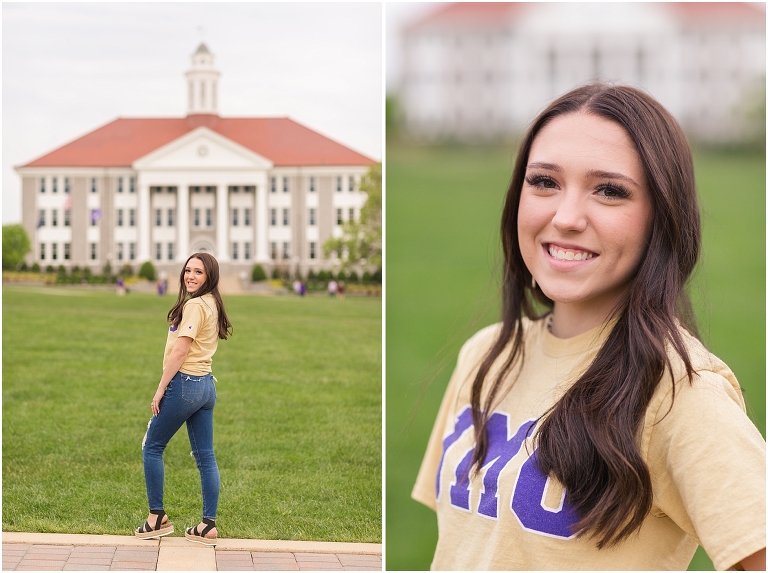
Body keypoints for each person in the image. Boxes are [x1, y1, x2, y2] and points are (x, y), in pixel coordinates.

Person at [412, 84, 766, 570]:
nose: (566, 216)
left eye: (609, 190)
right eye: (544, 182)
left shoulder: (681, 394)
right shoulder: (485, 354)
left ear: (662, 216)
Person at [135, 252, 233, 546]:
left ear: (209, 277)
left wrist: (160, 387)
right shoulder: (213, 302)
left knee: (151, 446)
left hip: (185, 384)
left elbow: (180, 350)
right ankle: (208, 526)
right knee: (206, 456)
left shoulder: (194, 306)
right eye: (187, 270)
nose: (190, 276)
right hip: (206, 387)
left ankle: (156, 519)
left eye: (198, 272)